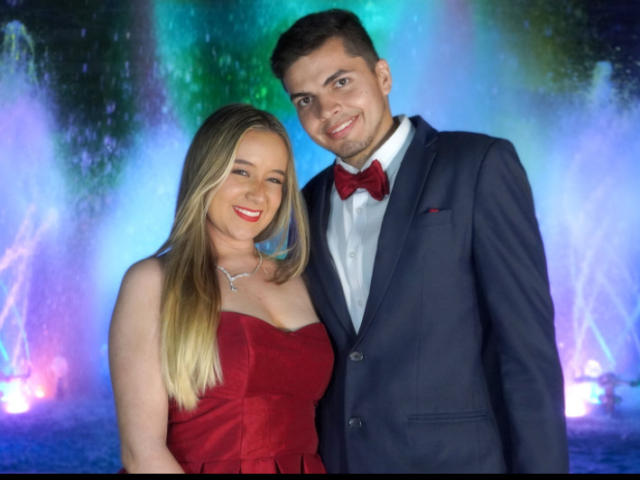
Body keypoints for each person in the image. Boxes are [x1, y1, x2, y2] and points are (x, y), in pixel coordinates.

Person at [270, 9, 568, 473]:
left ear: (383, 76)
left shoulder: (478, 165)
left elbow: (528, 353)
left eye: (341, 82)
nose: (327, 110)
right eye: (305, 100)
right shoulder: (304, 205)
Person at [108, 104, 333, 473]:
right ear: (206, 172)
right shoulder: (153, 282)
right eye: (241, 171)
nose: (258, 194)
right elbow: (142, 453)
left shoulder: (301, 278)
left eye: (274, 179)